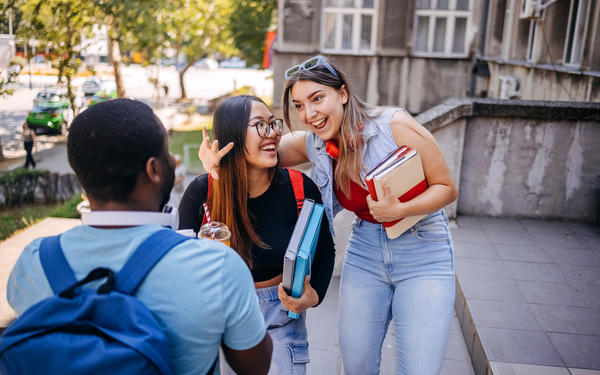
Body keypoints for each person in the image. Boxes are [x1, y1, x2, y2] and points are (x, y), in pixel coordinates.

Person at [200, 56, 458, 375]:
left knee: (419, 369)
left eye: (317, 98)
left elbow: (446, 187)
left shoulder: (394, 125)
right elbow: (257, 152)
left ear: (343, 93)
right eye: (298, 105)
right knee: (357, 366)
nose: (309, 114)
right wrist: (216, 160)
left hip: (423, 248)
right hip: (366, 249)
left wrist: (400, 209)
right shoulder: (317, 145)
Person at [7, 98, 272, 375]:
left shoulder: (33, 262)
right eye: (168, 154)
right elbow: (256, 367)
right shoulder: (216, 266)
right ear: (153, 170)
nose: (173, 161)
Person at [179, 95, 336, 375]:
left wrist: (313, 297)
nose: (273, 132)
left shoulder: (301, 189)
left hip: (281, 323)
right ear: (233, 135)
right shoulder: (202, 193)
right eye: (260, 125)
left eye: (272, 123)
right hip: (219, 326)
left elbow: (325, 249)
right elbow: (179, 265)